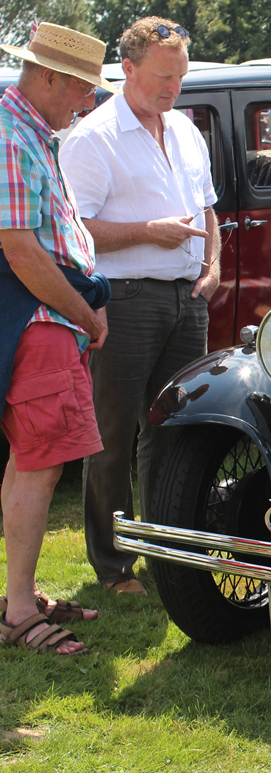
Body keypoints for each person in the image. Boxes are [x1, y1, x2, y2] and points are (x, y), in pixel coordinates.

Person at [59, 16, 220, 597]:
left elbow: (207, 209)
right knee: (113, 435)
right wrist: (148, 231)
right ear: (125, 70)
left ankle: (167, 550)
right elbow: (75, 234)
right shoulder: (93, 137)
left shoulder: (186, 130)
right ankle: (114, 566)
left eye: (179, 76)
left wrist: (214, 266)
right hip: (124, 302)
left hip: (185, 300)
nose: (173, 88)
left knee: (175, 431)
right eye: (162, 76)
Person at [0, 22, 118, 654]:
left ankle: (18, 595)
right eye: (81, 87)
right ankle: (19, 610)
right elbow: (20, 248)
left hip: (44, 316)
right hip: (37, 317)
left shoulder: (29, 132)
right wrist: (85, 312)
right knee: (41, 464)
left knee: (32, 463)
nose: (88, 101)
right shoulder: (10, 136)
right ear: (46, 74)